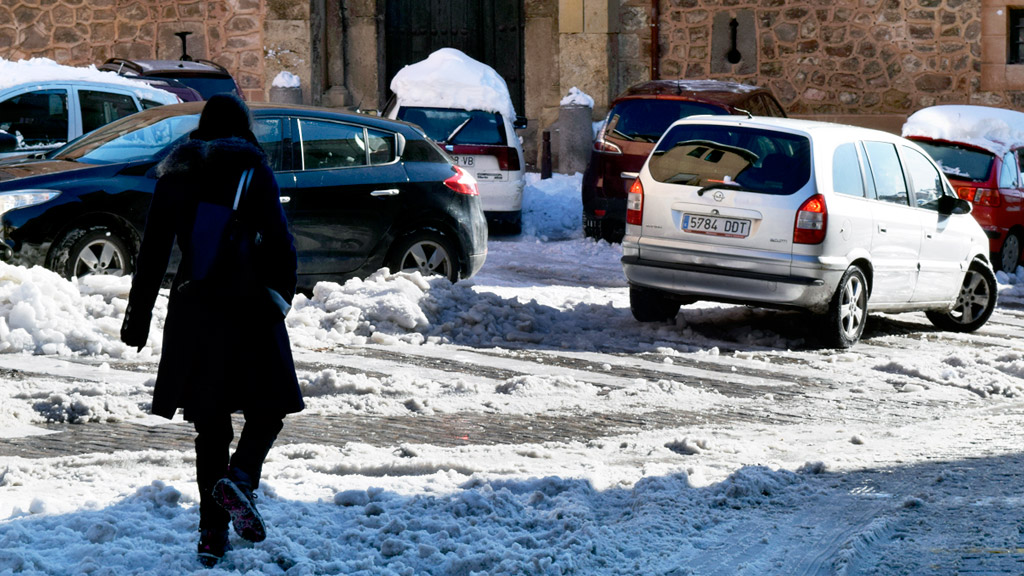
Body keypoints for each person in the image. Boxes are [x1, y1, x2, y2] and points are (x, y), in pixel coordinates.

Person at [120, 94, 304, 567]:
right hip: (247, 309)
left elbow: (153, 252)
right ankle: (240, 480)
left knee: (211, 427)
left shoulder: (174, 173)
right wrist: (280, 298)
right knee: (270, 407)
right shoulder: (251, 168)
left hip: (194, 311)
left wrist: (137, 317)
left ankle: (210, 535)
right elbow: (281, 243)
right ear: (243, 127)